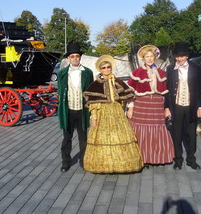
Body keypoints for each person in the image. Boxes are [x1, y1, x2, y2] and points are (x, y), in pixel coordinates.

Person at [83, 55, 144, 173]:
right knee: (103, 138)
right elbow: (93, 103)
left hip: (117, 112)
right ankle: (103, 165)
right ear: (100, 70)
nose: (106, 69)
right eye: (104, 68)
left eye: (108, 67)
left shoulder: (118, 81)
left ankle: (122, 165)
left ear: (111, 68)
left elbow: (129, 95)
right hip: (102, 113)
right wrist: (93, 117)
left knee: (119, 136)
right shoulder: (96, 84)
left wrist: (130, 109)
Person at [127, 45, 174, 167]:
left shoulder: (162, 72)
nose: (149, 59)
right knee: (140, 131)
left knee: (157, 129)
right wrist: (130, 107)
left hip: (157, 106)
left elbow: (167, 93)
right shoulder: (137, 73)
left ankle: (156, 157)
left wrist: (167, 109)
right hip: (141, 105)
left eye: (151, 56)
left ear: (155, 57)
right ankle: (142, 157)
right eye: (147, 57)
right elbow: (130, 92)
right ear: (143, 58)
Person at [164, 42, 201, 170]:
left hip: (191, 105)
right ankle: (178, 160)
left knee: (191, 134)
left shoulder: (195, 68)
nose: (179, 59)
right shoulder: (171, 69)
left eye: (182, 56)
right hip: (176, 106)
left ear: (187, 56)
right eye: (177, 56)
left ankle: (191, 159)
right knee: (176, 134)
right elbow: (167, 90)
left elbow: (200, 89)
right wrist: (166, 108)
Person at [57, 42, 94, 172]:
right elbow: (60, 92)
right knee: (67, 138)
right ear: (68, 58)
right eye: (72, 56)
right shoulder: (62, 73)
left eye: (77, 56)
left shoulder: (88, 73)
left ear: (80, 57)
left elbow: (91, 92)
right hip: (68, 111)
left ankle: (84, 160)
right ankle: (65, 162)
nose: (75, 59)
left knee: (83, 138)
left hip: (82, 111)